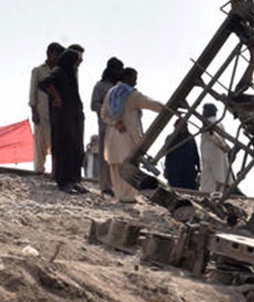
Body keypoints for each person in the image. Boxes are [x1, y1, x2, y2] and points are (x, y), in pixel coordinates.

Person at [101, 67, 164, 203]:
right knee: (130, 165)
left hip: (112, 136)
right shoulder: (132, 95)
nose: (135, 83)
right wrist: (168, 109)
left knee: (116, 167)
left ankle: (120, 195)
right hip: (127, 136)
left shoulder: (111, 93)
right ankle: (128, 197)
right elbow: (150, 103)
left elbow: (104, 115)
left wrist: (114, 122)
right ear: (128, 78)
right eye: (134, 79)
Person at [39, 46, 87, 193]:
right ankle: (63, 182)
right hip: (62, 120)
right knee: (63, 150)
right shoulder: (59, 72)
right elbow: (44, 83)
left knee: (76, 150)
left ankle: (74, 181)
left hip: (73, 118)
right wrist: (57, 96)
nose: (78, 63)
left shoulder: (71, 74)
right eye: (76, 61)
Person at [89, 57, 125, 195]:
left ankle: (118, 185)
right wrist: (109, 109)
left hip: (120, 128)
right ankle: (105, 186)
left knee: (120, 157)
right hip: (106, 126)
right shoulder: (100, 86)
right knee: (106, 158)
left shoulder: (121, 87)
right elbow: (93, 105)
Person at [27, 42, 63, 175]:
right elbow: (32, 92)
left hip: (56, 113)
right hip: (41, 112)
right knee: (39, 143)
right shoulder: (38, 70)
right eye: (55, 55)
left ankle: (55, 170)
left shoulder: (59, 72)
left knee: (55, 142)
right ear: (49, 54)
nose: (57, 58)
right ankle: (39, 170)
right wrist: (34, 111)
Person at [198, 103, 231, 194]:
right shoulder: (216, 122)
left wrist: (223, 146)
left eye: (204, 110)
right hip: (213, 153)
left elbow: (215, 136)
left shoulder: (211, 122)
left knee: (213, 175)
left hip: (213, 152)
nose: (203, 112)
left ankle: (210, 193)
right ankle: (212, 192)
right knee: (214, 174)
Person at [162, 119, 200, 189]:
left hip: (189, 171)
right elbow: (167, 155)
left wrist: (199, 168)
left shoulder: (190, 138)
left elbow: (195, 154)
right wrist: (166, 170)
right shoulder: (170, 138)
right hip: (175, 172)